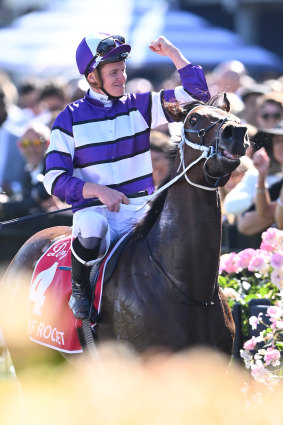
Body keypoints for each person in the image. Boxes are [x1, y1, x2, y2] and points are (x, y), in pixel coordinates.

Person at [43, 33, 210, 321]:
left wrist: (173, 53)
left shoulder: (141, 105)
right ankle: (80, 291)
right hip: (96, 214)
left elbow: (198, 96)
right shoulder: (68, 118)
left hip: (140, 213)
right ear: (92, 77)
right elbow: (54, 179)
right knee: (93, 225)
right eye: (113, 72)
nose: (122, 77)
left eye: (123, 70)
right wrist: (97, 191)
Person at [0, 122, 57, 220]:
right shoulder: (27, 171)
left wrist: (4, 205)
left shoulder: (54, 169)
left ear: (47, 143)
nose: (31, 149)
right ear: (20, 146)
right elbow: (27, 200)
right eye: (26, 144)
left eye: (36, 143)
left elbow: (35, 202)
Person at [237, 122, 283, 236]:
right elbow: (245, 223)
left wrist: (274, 214)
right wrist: (261, 175)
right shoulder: (278, 185)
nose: (281, 145)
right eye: (277, 141)